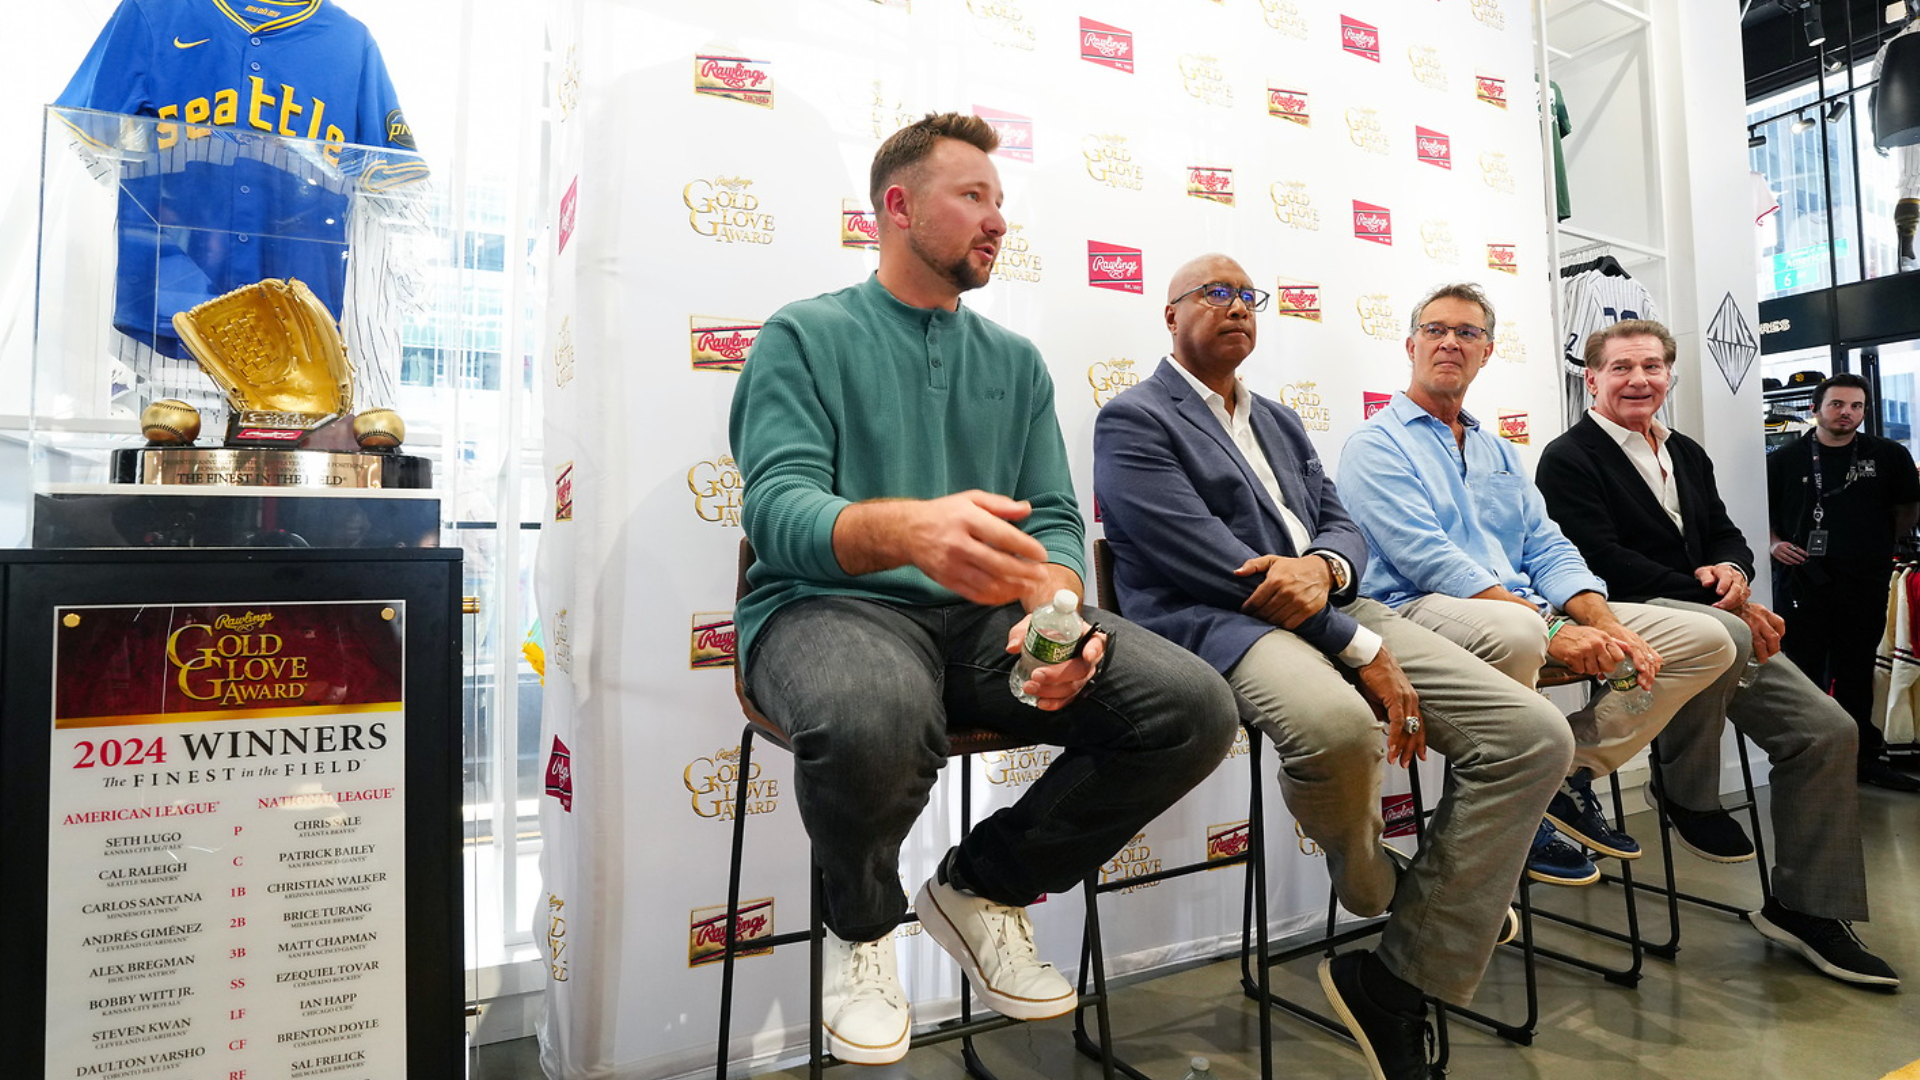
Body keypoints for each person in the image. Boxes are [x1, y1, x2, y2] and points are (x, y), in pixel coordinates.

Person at [727, 113, 1239, 1065]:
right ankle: (861, 927)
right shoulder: (806, 334)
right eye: (973, 196)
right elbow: (778, 509)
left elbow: (1054, 518)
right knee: (872, 710)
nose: (998, 219)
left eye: (1000, 201)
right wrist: (904, 529)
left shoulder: (1014, 361)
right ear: (897, 206)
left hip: (981, 625)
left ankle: (983, 886)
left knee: (1193, 708)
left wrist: (1057, 609)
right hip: (826, 605)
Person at [1093, 253, 1572, 1080]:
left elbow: (1338, 524)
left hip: (1338, 611)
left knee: (1535, 736)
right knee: (1340, 727)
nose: (1236, 306)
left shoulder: (1279, 419)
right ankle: (1385, 887)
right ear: (1169, 315)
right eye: (1215, 293)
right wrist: (1358, 645)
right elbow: (1211, 564)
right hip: (1220, 624)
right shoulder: (1134, 418)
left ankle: (1393, 975)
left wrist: (1328, 569)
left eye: (1248, 295)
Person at [1537, 319, 1899, 988]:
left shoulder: (1686, 451)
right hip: (1632, 617)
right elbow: (1598, 560)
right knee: (1723, 635)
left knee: (1827, 731)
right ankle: (1686, 791)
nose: (1639, 379)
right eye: (1621, 368)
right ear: (1591, 379)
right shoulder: (1568, 457)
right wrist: (1721, 603)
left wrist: (1734, 572)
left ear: (1669, 375)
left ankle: (1805, 908)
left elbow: (1726, 533)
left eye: (1651, 366)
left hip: (1711, 619)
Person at [1336, 284, 1736, 890]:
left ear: (1488, 351)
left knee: (1706, 639)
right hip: (1418, 607)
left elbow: (1548, 547)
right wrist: (1552, 626)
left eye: (1467, 333)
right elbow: (1427, 559)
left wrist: (1602, 622)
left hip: (1522, 609)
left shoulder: (1497, 449)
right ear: (1411, 346)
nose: (1450, 342)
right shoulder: (1376, 444)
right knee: (1519, 630)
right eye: (1436, 330)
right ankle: (1524, 793)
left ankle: (1558, 777)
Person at [1768, 373, 1920, 791]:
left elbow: (1907, 508)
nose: (1846, 413)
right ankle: (1809, 760)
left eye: (1856, 406)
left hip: (1864, 579)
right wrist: (1774, 543)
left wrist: (1875, 545)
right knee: (1803, 673)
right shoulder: (1785, 459)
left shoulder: (1888, 455)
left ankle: (1863, 760)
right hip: (1803, 580)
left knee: (1857, 670)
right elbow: (1760, 510)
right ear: (1815, 408)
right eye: (1837, 404)